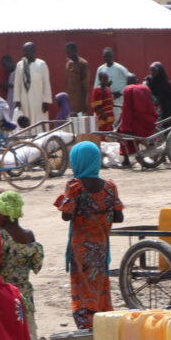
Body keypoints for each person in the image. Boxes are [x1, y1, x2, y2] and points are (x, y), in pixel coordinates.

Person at [54, 141, 124, 329]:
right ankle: (102, 324)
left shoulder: (75, 186)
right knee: (100, 285)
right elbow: (119, 217)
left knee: (82, 288)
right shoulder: (109, 186)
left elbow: (65, 215)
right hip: (101, 247)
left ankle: (87, 326)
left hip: (81, 250)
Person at [0, 190, 44, 337]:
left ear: (5, 213)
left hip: (3, 293)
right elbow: (37, 266)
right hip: (24, 293)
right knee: (27, 334)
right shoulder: (29, 235)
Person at [8, 45, 52, 128]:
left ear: (33, 51)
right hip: (24, 99)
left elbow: (46, 83)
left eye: (27, 50)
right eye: (24, 51)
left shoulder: (41, 64)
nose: (24, 53)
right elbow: (17, 83)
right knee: (25, 122)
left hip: (38, 100)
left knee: (39, 121)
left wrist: (46, 101)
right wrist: (17, 100)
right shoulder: (20, 65)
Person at [116, 82, 158, 166]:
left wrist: (124, 125)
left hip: (136, 123)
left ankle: (126, 160)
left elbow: (127, 110)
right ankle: (154, 152)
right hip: (147, 121)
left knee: (122, 133)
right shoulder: (144, 89)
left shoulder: (128, 90)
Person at [96, 48, 132, 120]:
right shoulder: (100, 69)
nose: (106, 58)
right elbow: (97, 85)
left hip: (119, 101)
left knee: (119, 121)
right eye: (105, 56)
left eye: (108, 56)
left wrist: (121, 92)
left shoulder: (120, 68)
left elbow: (131, 80)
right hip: (106, 101)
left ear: (112, 56)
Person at [63, 43, 89, 115]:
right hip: (69, 102)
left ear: (74, 50)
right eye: (66, 52)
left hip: (79, 103)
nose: (67, 54)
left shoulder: (83, 64)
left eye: (68, 52)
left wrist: (84, 105)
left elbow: (85, 85)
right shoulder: (68, 63)